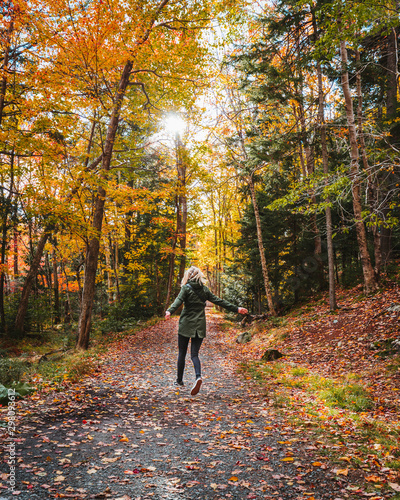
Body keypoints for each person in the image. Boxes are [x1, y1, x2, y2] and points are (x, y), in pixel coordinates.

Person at [165, 266, 248, 396]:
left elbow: (178, 300)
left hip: (186, 325)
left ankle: (179, 381)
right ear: (199, 276)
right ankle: (198, 376)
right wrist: (236, 309)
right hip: (199, 326)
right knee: (194, 354)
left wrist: (170, 310)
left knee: (182, 353)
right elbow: (219, 301)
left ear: (188, 276)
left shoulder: (186, 288)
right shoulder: (204, 290)